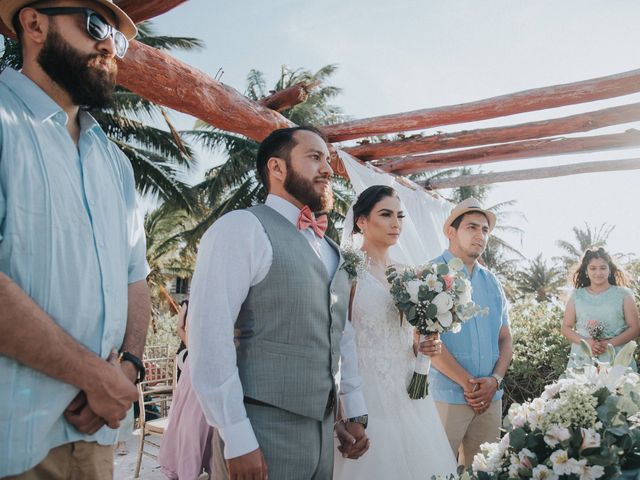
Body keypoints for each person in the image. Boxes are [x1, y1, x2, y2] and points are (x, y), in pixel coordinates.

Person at [0, 1, 150, 478]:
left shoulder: (115, 163)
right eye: (95, 25)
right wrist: (93, 377)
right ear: (34, 22)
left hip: (96, 439)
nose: (110, 45)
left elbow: (135, 277)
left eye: (119, 38)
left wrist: (126, 368)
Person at [188, 126, 369, 480]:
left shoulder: (331, 249)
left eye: (328, 159)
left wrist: (351, 414)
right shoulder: (242, 228)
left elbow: (340, 336)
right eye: (315, 157)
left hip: (322, 434)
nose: (328, 168)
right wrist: (237, 437)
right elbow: (209, 335)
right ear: (277, 167)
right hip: (260, 431)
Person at [333, 185, 457, 479]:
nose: (396, 223)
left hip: (408, 393)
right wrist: (343, 410)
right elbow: (338, 339)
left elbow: (411, 336)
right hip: (365, 391)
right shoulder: (347, 271)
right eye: (386, 215)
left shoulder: (408, 274)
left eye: (399, 216)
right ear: (361, 221)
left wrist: (425, 347)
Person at [429, 197, 513, 467]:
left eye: (485, 230)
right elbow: (426, 341)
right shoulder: (429, 275)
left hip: (491, 399)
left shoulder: (493, 282)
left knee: (485, 472)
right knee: (435, 470)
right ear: (451, 232)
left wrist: (495, 381)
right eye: (472, 227)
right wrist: (468, 384)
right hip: (445, 397)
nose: (480, 235)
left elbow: (505, 338)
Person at [562, 247, 640, 370]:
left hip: (617, 357)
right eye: (593, 268)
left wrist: (608, 344)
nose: (598, 272)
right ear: (586, 271)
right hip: (583, 358)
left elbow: (635, 328)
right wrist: (587, 342)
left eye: (603, 268)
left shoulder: (624, 294)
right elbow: (566, 328)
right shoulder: (576, 296)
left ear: (609, 270)